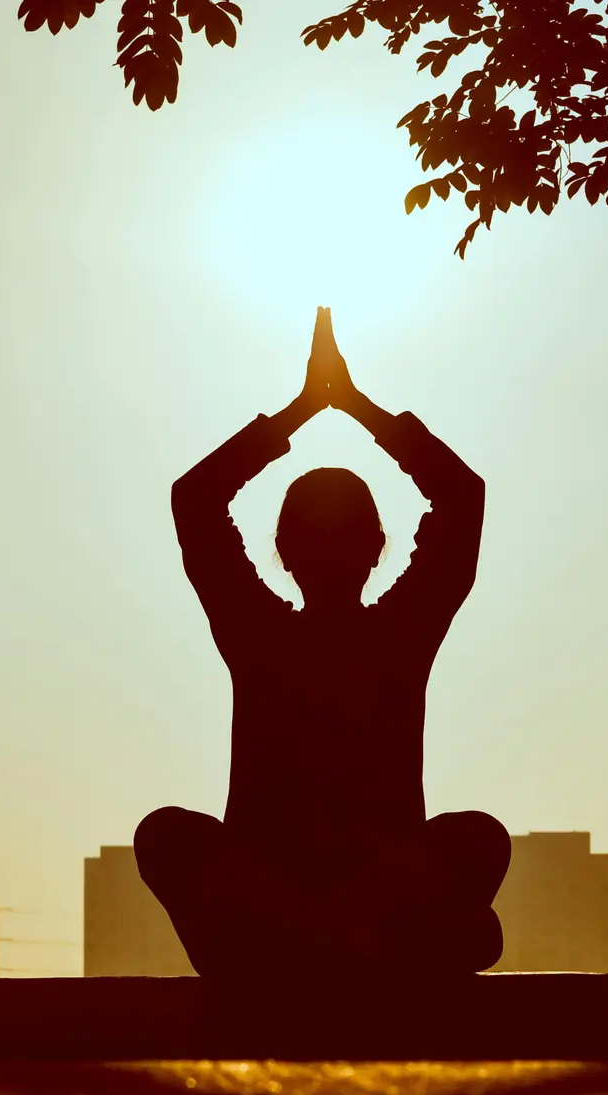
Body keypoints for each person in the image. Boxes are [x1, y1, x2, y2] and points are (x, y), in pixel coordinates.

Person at [136, 308, 511, 978]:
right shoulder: (368, 631)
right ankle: (357, 940)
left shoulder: (279, 630)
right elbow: (461, 496)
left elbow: (197, 501)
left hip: (327, 893)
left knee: (479, 838)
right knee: (164, 835)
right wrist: (345, 408)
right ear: (377, 549)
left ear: (281, 551)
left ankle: (324, 938)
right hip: (302, 890)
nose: (332, 551)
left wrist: (311, 410)